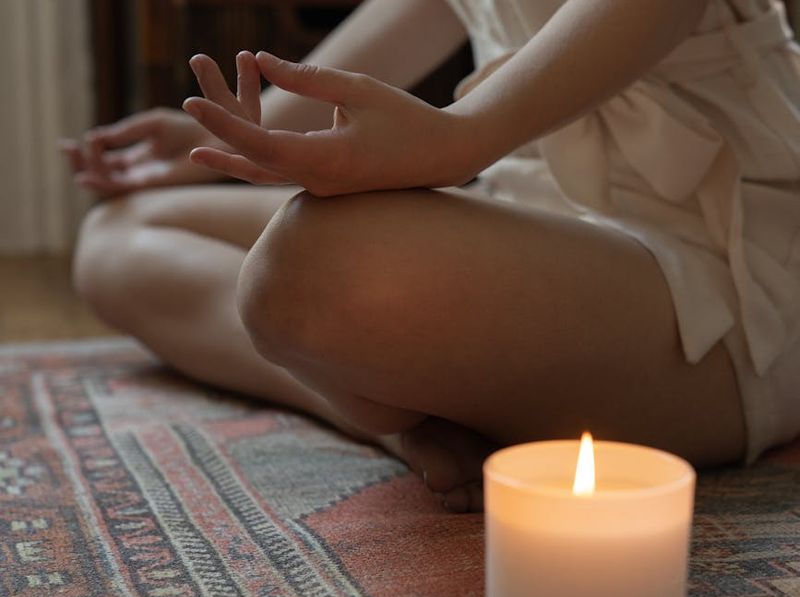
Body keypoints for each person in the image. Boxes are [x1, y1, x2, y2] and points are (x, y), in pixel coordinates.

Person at [63, 0, 800, 512]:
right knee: (118, 235)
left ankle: (389, 392)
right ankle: (397, 423)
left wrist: (460, 137)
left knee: (308, 270)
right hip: (526, 219)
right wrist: (224, 143)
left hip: (723, 268)